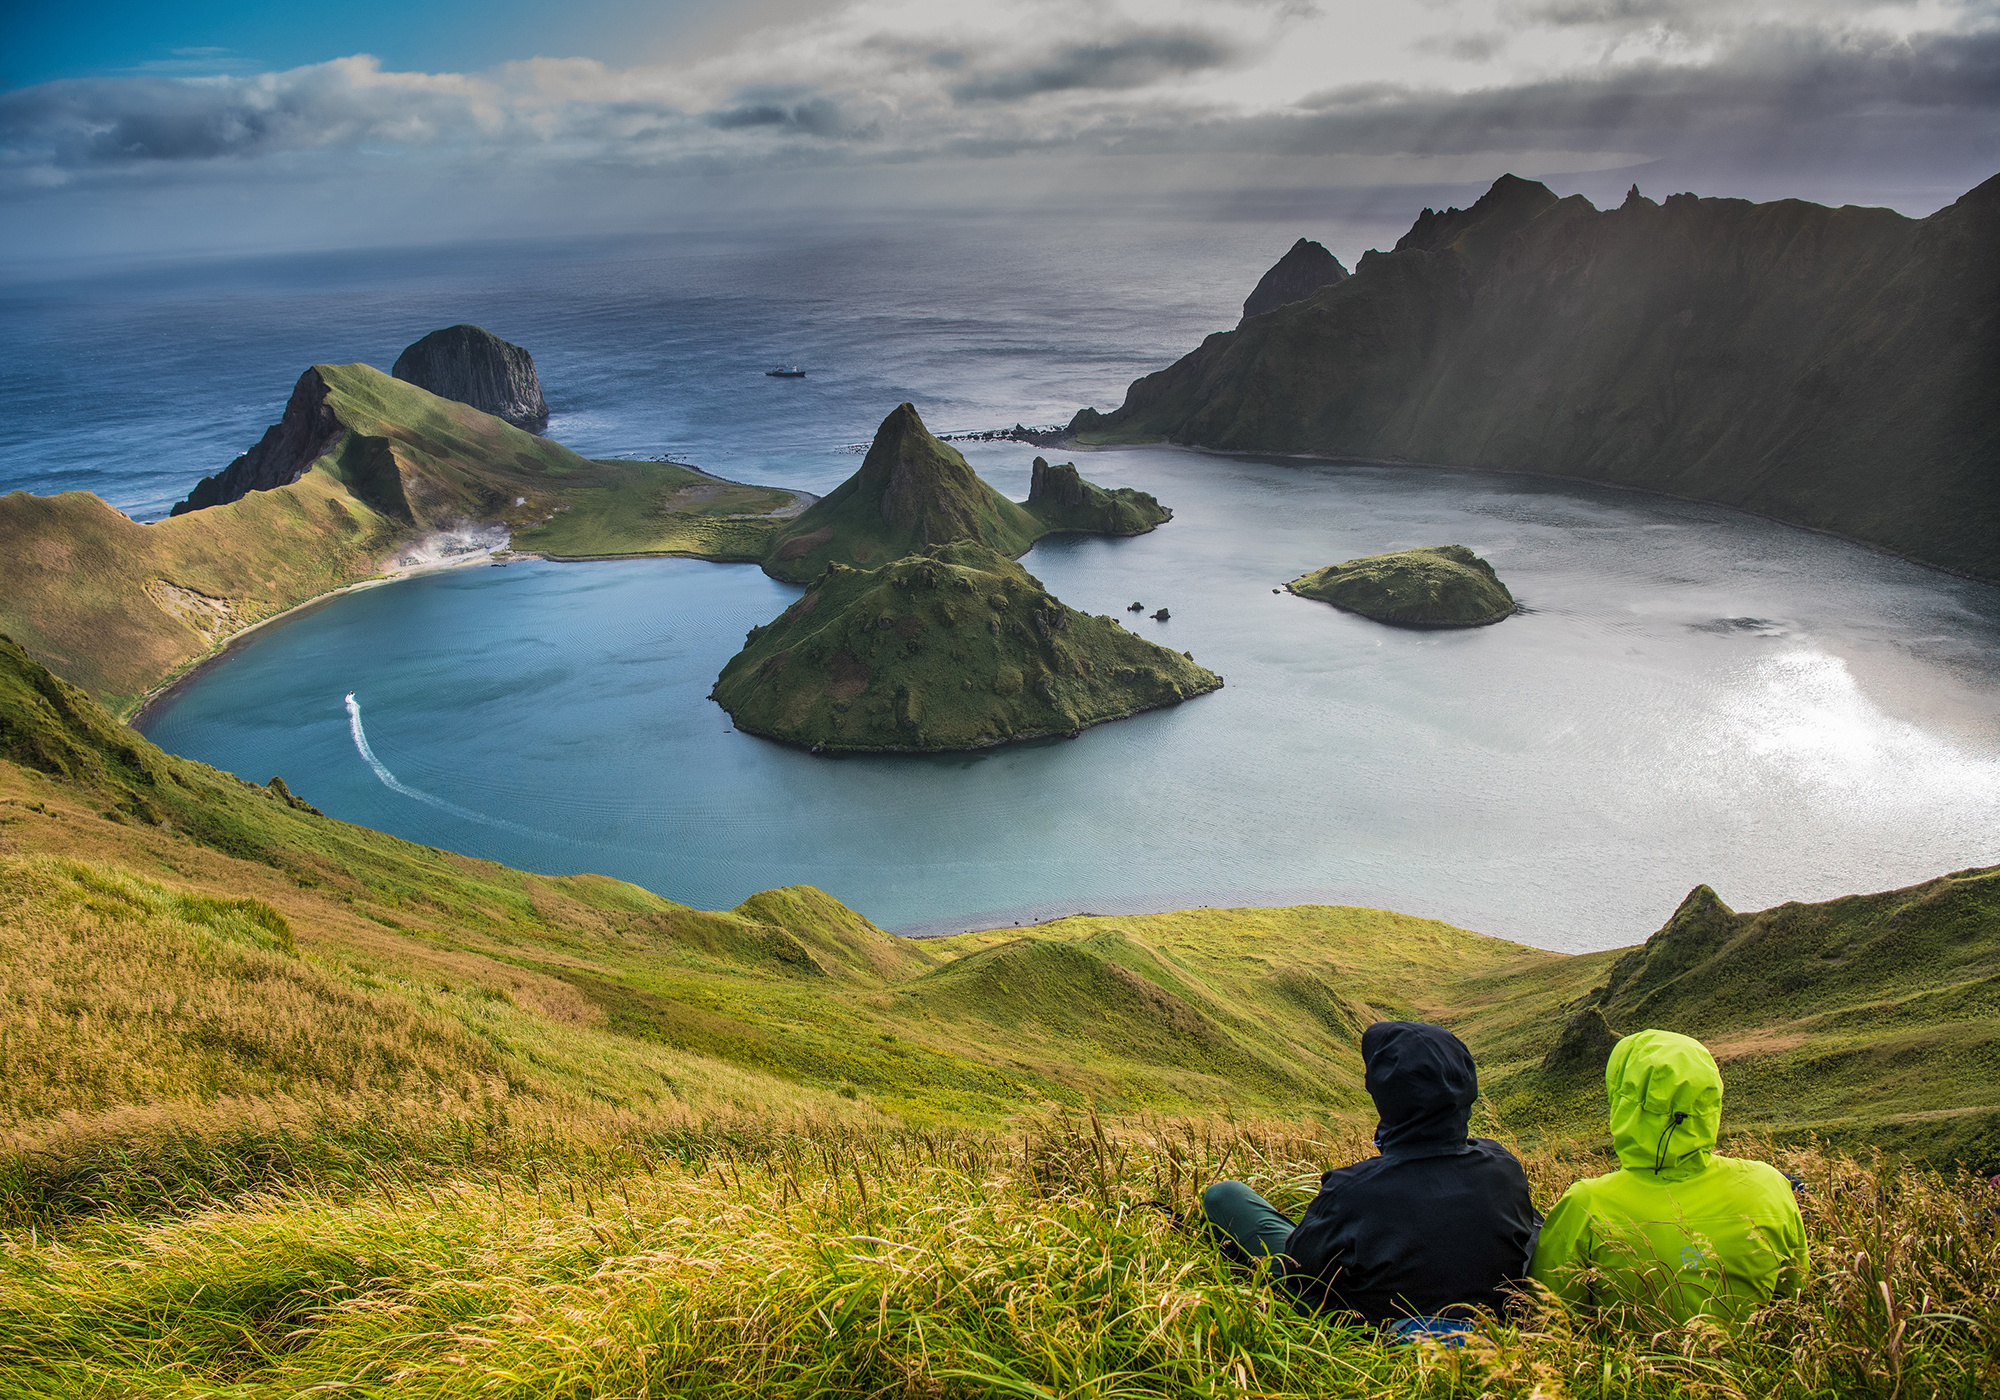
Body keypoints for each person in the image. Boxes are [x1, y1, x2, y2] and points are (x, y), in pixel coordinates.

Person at [1201, 1021, 1540, 1334]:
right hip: (1490, 1328)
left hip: (1367, 1334)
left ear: (1386, 1097)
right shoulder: (1504, 1167)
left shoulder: (1352, 1190)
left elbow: (1300, 1265)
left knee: (1225, 1196)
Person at [1529, 1028, 1808, 1324]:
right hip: (1754, 1366)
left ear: (1625, 1104)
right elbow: (1795, 1299)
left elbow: (1547, 1320)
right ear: (1709, 1099)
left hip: (1630, 1368)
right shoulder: (1769, 1186)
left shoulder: (1586, 1204)